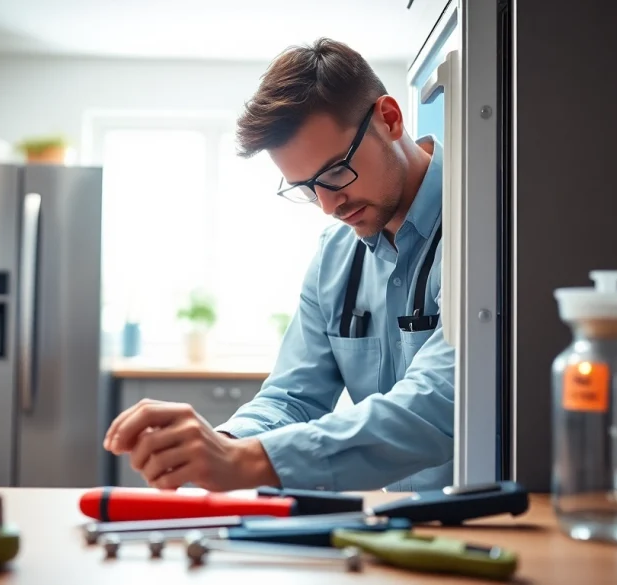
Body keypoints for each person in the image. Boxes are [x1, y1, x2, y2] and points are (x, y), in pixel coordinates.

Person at [104, 37, 455, 493]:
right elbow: (293, 397)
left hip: (489, 524)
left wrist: (248, 461)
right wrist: (222, 444)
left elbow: (439, 404)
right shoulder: (335, 255)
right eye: (307, 188)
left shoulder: (479, 229)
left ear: (389, 118)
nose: (329, 206)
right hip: (394, 525)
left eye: (334, 174)